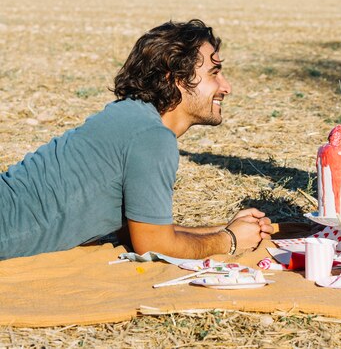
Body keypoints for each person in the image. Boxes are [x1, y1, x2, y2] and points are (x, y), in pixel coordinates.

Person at [0, 19, 274, 260]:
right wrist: (231, 241)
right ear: (176, 78)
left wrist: (221, 229)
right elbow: (154, 245)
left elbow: (144, 230)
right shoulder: (152, 137)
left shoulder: (132, 117)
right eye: (214, 73)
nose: (226, 87)